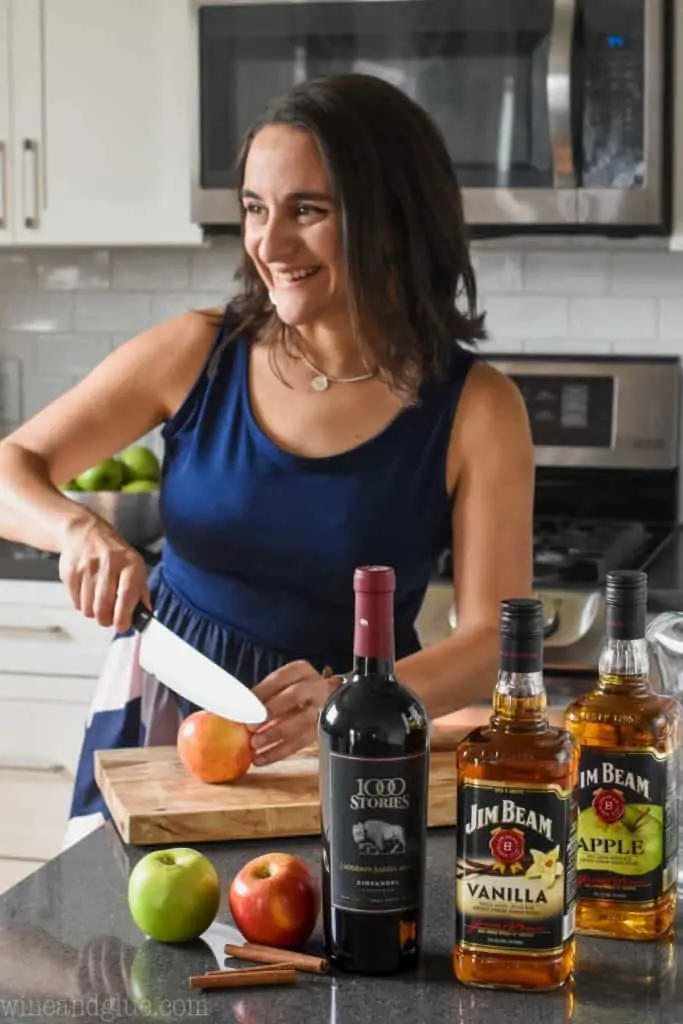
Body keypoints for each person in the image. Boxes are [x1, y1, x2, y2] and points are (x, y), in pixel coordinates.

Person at [0, 73, 534, 847]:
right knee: (122, 952)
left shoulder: (477, 408)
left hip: (356, 743)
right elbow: (13, 463)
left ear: (391, 219)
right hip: (164, 715)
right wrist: (78, 531)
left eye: (307, 211)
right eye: (255, 208)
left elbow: (489, 643)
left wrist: (348, 696)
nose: (269, 245)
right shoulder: (196, 352)